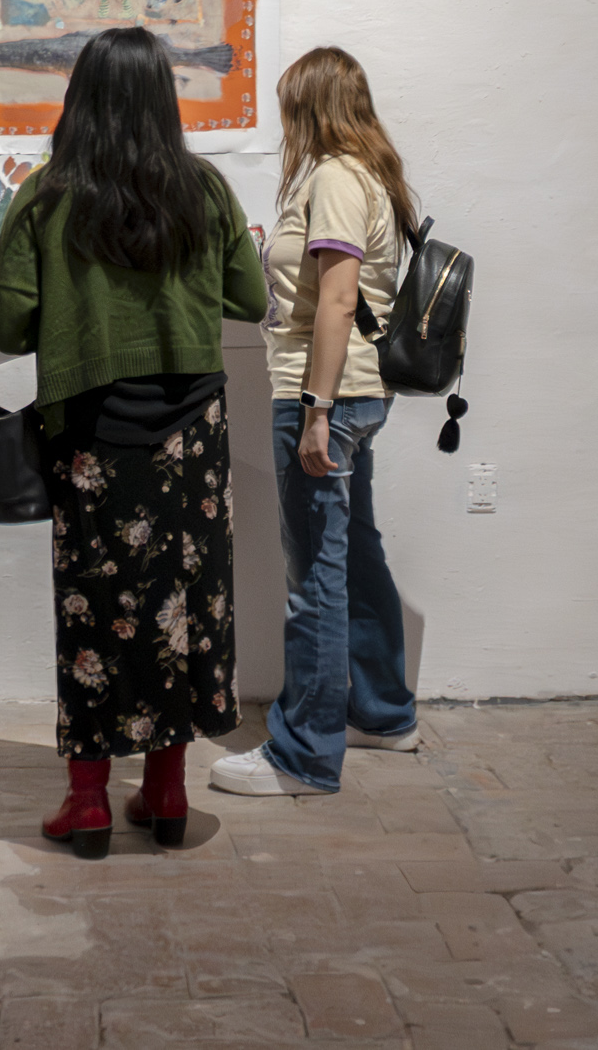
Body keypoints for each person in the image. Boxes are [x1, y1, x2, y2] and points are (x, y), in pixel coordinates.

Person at [0, 27, 268, 856]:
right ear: (162, 100)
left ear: (81, 98)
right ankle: (168, 792)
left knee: (96, 613)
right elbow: (249, 298)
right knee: (185, 607)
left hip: (92, 438)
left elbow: (9, 325)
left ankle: (89, 804)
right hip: (192, 435)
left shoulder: (45, 196)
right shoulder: (204, 189)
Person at [209, 46, 420, 798]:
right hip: (358, 391)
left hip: (323, 394)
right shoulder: (371, 174)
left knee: (316, 578)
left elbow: (337, 299)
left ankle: (303, 756)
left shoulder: (334, 177)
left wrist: (315, 411)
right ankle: (383, 715)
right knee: (355, 552)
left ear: (310, 105)